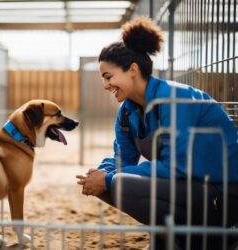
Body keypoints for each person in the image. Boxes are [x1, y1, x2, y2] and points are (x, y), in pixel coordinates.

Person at [76, 16, 238, 250]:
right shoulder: (126, 112)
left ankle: (216, 237)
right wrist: (101, 173)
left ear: (132, 70)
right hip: (191, 188)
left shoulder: (174, 99)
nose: (105, 85)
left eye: (108, 77)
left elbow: (176, 167)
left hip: (222, 194)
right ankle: (170, 238)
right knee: (107, 183)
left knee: (119, 184)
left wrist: (109, 179)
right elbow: (122, 158)